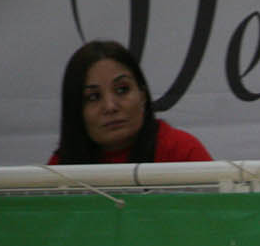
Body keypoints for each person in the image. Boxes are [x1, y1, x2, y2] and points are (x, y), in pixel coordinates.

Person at [50, 40, 212, 164]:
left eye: (122, 90)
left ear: (143, 95)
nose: (110, 106)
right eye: (93, 97)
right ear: (75, 111)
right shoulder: (60, 171)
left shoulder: (181, 152)